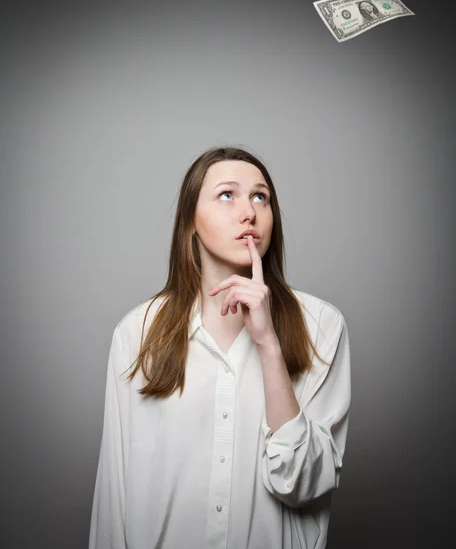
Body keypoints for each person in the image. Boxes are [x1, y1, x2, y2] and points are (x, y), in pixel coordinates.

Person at [88, 145, 351, 549]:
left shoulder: (322, 326)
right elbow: (114, 495)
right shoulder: (137, 333)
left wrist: (268, 346)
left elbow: (300, 484)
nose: (249, 212)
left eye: (260, 197)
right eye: (227, 194)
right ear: (190, 221)